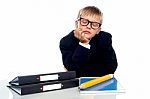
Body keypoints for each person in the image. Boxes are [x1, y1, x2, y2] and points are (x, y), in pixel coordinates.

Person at [59, 6, 118, 77]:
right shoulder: (66, 42)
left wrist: (85, 71)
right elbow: (73, 71)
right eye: (84, 22)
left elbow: (111, 68)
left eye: (94, 24)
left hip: (101, 82)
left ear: (98, 30)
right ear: (76, 24)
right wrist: (83, 44)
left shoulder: (105, 38)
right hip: (78, 84)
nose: (89, 26)